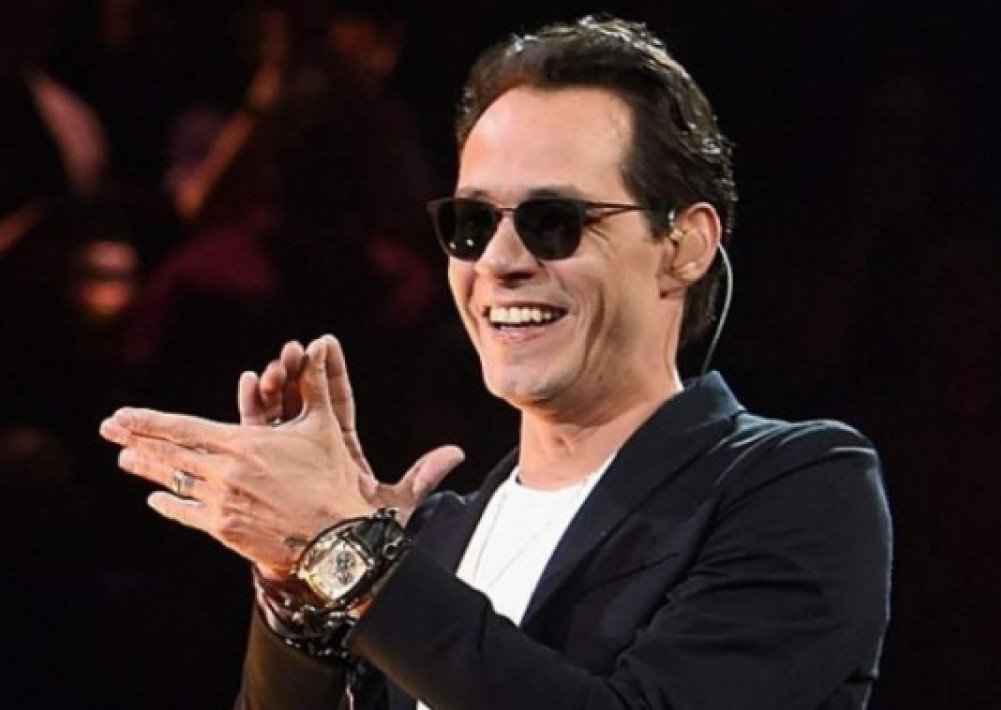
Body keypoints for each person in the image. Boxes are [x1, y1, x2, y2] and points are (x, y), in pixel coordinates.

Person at [100, 15, 892, 709]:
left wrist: (348, 556)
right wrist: (298, 586)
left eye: (554, 221)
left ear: (682, 246)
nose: (499, 262)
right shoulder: (430, 543)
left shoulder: (794, 486)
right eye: (472, 224)